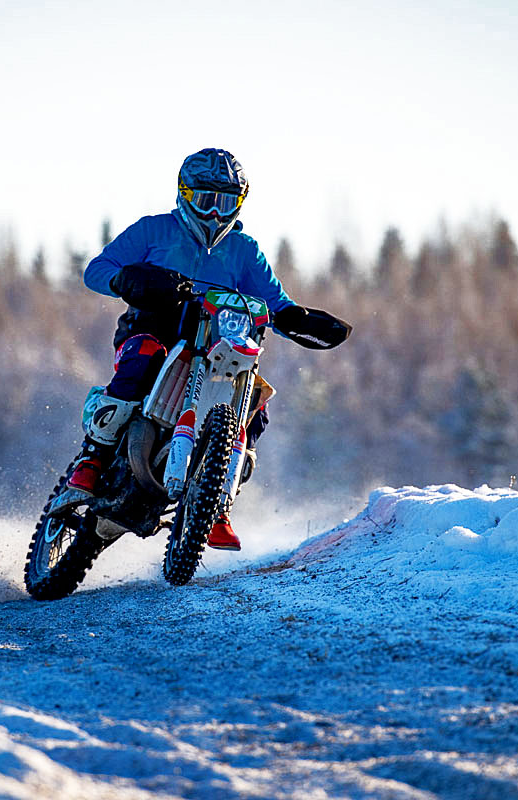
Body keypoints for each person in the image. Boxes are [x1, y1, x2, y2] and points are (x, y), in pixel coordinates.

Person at [60, 148, 350, 551]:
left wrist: (298, 319)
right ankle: (92, 459)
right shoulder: (154, 231)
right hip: (153, 330)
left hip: (219, 343)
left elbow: (276, 303)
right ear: (185, 195)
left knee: (257, 401)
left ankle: (218, 500)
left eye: (226, 203)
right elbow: (96, 270)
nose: (215, 213)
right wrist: (127, 280)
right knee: (143, 358)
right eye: (206, 200)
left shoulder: (243, 249)